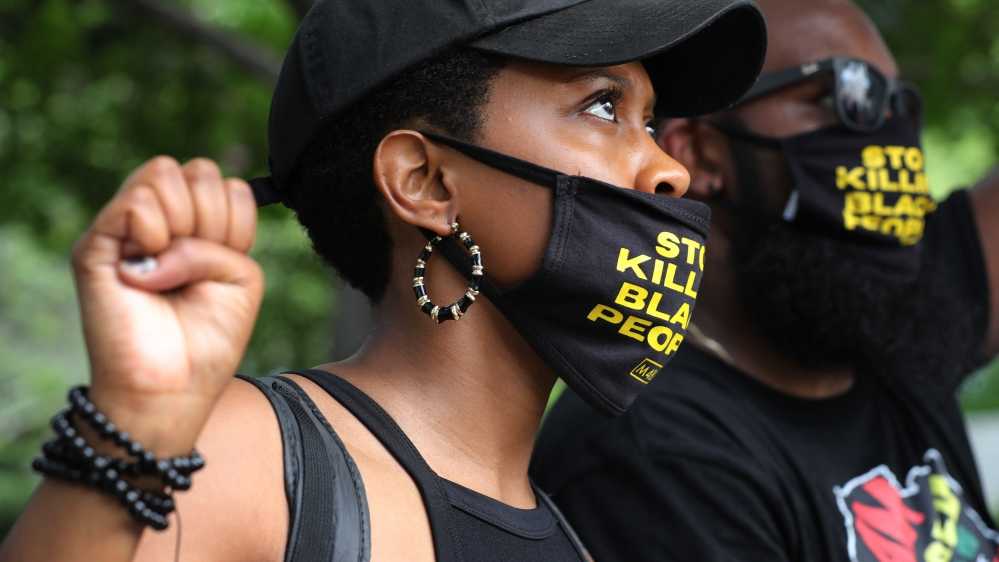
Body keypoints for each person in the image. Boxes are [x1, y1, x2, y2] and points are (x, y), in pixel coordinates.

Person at [0, 0, 768, 561]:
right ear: (425, 181)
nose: (668, 169)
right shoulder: (254, 459)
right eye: (602, 106)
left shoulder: (568, 535)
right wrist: (134, 420)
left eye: (650, 121)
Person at [531, 0, 999, 560]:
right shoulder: (660, 455)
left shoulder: (887, 320)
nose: (888, 137)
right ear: (698, 153)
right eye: (843, 94)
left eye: (900, 105)